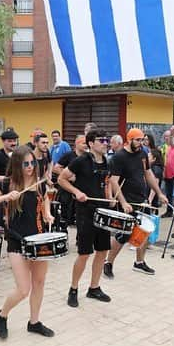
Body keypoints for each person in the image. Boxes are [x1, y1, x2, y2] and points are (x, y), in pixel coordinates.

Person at [0, 146, 55, 339]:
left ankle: (34, 322)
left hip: (38, 240)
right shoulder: (7, 184)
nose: (30, 167)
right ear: (17, 165)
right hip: (16, 239)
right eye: (25, 164)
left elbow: (45, 199)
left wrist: (47, 213)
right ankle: (2, 315)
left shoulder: (40, 183)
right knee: (23, 289)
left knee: (39, 283)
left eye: (32, 163)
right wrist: (6, 197)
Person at [58, 129, 113, 308]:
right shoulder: (80, 161)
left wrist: (110, 197)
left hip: (102, 212)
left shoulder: (106, 162)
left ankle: (94, 287)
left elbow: (106, 182)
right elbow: (62, 179)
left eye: (107, 140)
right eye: (101, 140)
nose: (105, 142)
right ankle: (73, 289)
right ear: (91, 143)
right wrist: (77, 192)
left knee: (102, 251)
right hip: (85, 212)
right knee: (84, 253)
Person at [104, 128, 168, 278]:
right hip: (126, 202)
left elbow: (148, 174)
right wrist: (124, 203)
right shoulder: (119, 157)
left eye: (142, 140)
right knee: (123, 235)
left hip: (142, 200)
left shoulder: (143, 154)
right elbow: (113, 181)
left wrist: (159, 193)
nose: (140, 143)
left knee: (145, 231)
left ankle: (139, 262)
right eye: (137, 140)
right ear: (129, 139)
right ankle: (108, 262)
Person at [162, 132, 174, 217]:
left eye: (173, 137)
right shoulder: (169, 148)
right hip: (168, 174)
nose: (171, 138)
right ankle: (169, 211)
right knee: (168, 194)